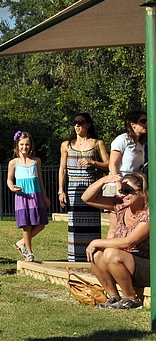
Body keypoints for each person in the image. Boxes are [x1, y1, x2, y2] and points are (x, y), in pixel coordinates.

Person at [81, 172, 150, 309]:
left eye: (127, 191)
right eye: (121, 190)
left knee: (110, 253)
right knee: (96, 254)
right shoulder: (121, 206)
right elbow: (86, 198)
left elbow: (128, 242)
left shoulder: (148, 215)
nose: (123, 194)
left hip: (148, 266)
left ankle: (131, 298)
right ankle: (113, 296)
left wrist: (96, 242)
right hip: (123, 263)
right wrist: (104, 180)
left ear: (142, 193)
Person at [58, 112, 109, 262]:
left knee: (92, 223)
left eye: (81, 122)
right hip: (73, 188)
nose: (77, 125)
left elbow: (108, 164)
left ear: (88, 124)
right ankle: (75, 258)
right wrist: (61, 190)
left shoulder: (97, 143)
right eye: (75, 122)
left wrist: (93, 162)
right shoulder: (66, 145)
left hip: (90, 188)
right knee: (75, 224)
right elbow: (62, 169)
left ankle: (93, 257)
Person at [7, 131, 50, 262]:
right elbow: (9, 180)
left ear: (31, 146)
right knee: (26, 225)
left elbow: (40, 180)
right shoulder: (13, 163)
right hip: (22, 197)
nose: (24, 147)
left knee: (41, 224)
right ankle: (29, 252)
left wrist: (45, 196)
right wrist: (12, 187)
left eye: (27, 144)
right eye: (22, 144)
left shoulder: (36, 161)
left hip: (35, 196)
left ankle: (21, 243)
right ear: (17, 145)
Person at [109, 109, 148, 185]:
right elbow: (112, 164)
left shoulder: (142, 144)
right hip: (116, 186)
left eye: (147, 121)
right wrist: (118, 185)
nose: (146, 124)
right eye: (143, 121)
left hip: (132, 186)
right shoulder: (122, 139)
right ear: (133, 124)